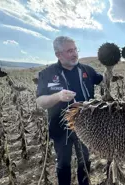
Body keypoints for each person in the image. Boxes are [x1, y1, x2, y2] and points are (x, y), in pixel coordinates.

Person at [36, 36, 103, 185]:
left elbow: (104, 79)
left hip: (85, 127)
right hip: (60, 128)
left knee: (84, 161)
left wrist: (110, 67)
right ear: (58, 55)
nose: (74, 54)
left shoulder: (87, 70)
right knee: (64, 163)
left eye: (75, 50)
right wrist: (58, 96)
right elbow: (40, 101)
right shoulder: (47, 74)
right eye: (69, 51)